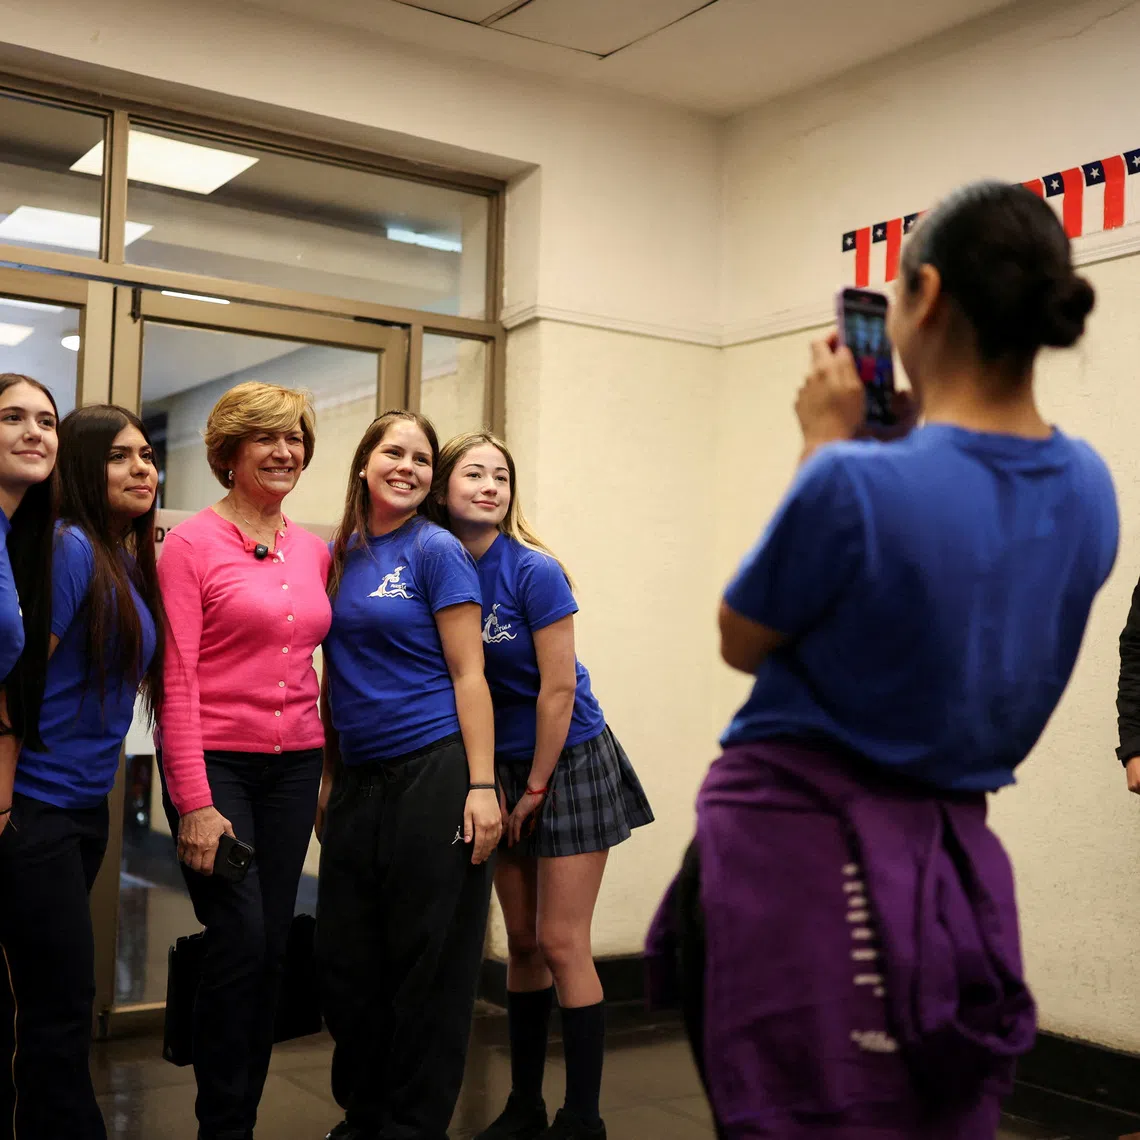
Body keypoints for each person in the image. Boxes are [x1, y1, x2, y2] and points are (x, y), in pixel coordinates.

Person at [647, 180, 1118, 1140]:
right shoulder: (1090, 483)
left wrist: (823, 444)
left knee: (805, 1112)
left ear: (927, 296)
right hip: (952, 851)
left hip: (802, 843)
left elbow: (743, 636)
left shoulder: (856, 479)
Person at [428, 432, 653, 1140]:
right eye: (473, 473)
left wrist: (532, 787)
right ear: (442, 489)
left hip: (568, 759)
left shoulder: (534, 570)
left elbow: (557, 691)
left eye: (501, 476)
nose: (490, 485)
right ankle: (524, 1104)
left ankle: (582, 1117)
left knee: (561, 943)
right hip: (500, 769)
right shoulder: (438, 565)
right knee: (520, 945)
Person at [316, 410, 501, 1140]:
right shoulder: (341, 552)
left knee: (430, 964)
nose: (408, 466)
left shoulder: (436, 551)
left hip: (435, 768)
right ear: (364, 462)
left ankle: (411, 1125)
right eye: (394, 452)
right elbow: (336, 674)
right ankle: (362, 1113)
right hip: (360, 779)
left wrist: (482, 788)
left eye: (422, 459)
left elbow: (470, 674)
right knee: (348, 959)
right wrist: (331, 777)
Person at [157, 382, 331, 1140]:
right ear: (230, 453)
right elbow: (178, 680)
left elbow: (314, 665)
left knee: (269, 952)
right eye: (266, 438)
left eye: (294, 437)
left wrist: (327, 770)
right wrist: (194, 801)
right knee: (243, 941)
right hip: (216, 766)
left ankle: (241, 1118)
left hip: (294, 768)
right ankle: (221, 1125)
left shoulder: (314, 548)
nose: (284, 451)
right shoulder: (192, 544)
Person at [0, 404, 161, 1139]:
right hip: (35, 809)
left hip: (78, 808)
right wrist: (4, 801)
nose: (143, 469)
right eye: (121, 457)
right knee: (62, 1005)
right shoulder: (68, 548)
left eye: (149, 456)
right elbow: (17, 681)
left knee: (54, 1003)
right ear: (84, 470)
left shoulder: (119, 556)